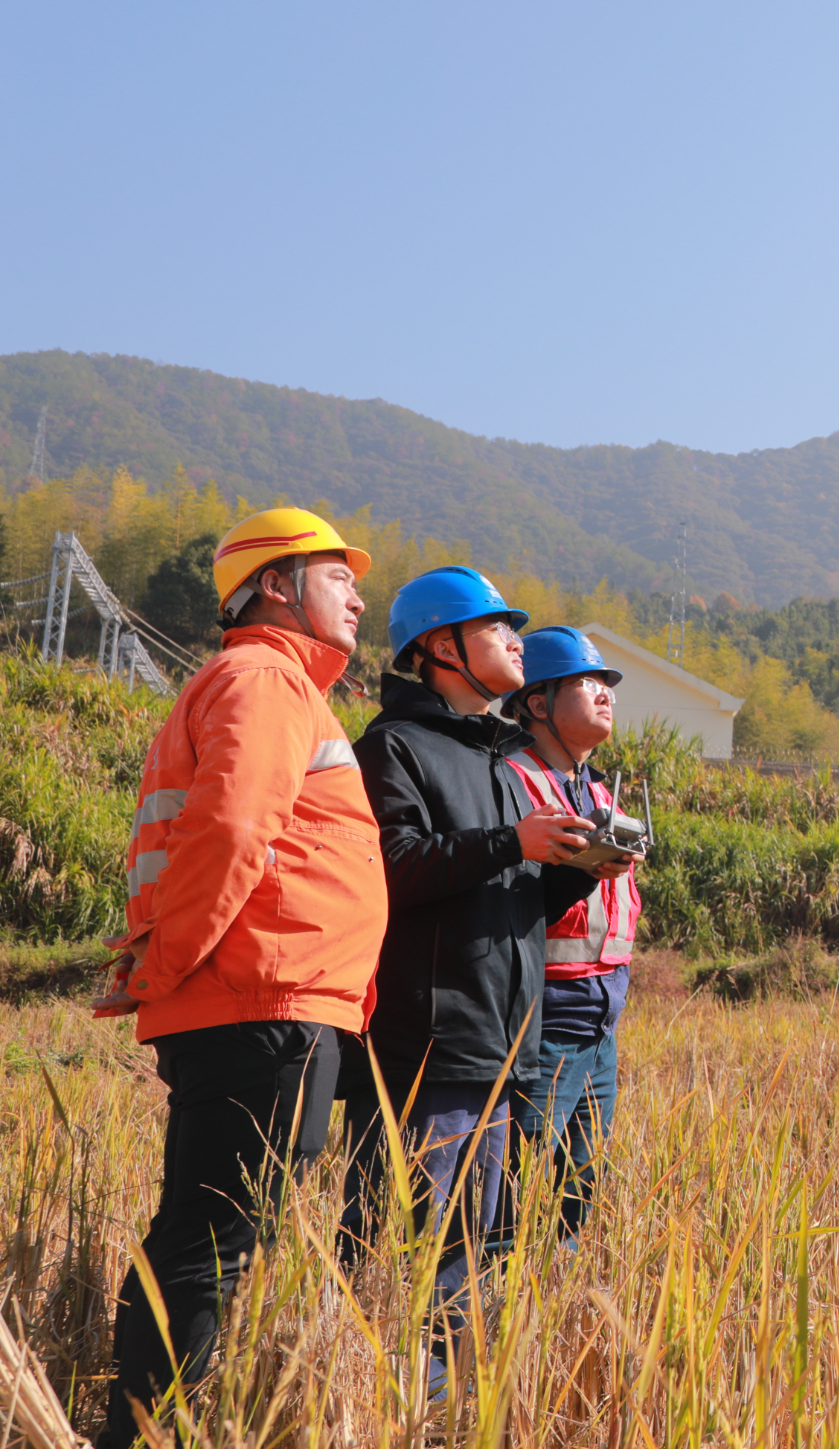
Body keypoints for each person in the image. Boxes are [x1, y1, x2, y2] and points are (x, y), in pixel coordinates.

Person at [91, 508, 386, 1449]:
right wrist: (166, 965)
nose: (358, 595)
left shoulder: (269, 683)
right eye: (337, 576)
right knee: (210, 1242)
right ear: (276, 585)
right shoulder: (264, 679)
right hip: (261, 1001)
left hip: (261, 997)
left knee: (206, 1235)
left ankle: (144, 1425)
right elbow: (230, 830)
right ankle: (146, 1432)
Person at [342, 566, 605, 1393]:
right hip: (429, 1043)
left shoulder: (492, 755)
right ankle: (375, 1402)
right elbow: (392, 867)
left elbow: (506, 890)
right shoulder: (393, 748)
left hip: (500, 1042)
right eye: (497, 627)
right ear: (440, 647)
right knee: (399, 1239)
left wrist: (574, 871)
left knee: (467, 1250)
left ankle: (444, 1408)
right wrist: (510, 844)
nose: (516, 641)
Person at [500, 627, 642, 1242]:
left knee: (578, 1192)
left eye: (607, 684)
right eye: (587, 683)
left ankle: (559, 1283)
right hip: (544, 1015)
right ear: (538, 702)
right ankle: (499, 1288)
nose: (605, 694)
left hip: (601, 1018)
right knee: (518, 1187)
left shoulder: (600, 789)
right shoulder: (511, 780)